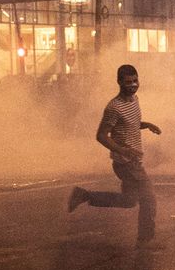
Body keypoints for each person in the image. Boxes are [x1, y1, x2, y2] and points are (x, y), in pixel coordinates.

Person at [67, 64, 162, 247]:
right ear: (119, 82)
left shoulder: (135, 100)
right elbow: (101, 135)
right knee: (149, 199)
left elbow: (129, 124)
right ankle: (145, 240)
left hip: (132, 161)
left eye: (135, 81)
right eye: (128, 82)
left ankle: (84, 195)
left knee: (129, 201)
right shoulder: (114, 107)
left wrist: (147, 124)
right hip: (126, 163)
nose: (133, 85)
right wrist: (122, 150)